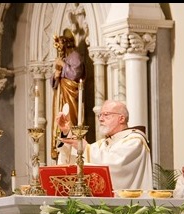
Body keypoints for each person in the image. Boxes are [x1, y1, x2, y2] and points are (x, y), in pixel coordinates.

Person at [56, 99, 153, 191]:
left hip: (129, 203)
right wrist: (66, 132)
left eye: (106, 115)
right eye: (100, 115)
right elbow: (75, 159)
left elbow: (115, 164)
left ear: (121, 118)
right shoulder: (103, 144)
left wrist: (85, 148)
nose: (101, 119)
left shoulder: (135, 141)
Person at [50, 29, 85, 160]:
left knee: (71, 118)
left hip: (71, 94)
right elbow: (54, 81)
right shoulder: (64, 58)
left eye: (60, 45)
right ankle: (60, 146)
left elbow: (76, 74)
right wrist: (56, 75)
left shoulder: (75, 56)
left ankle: (74, 147)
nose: (59, 49)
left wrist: (63, 65)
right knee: (60, 119)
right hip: (60, 94)